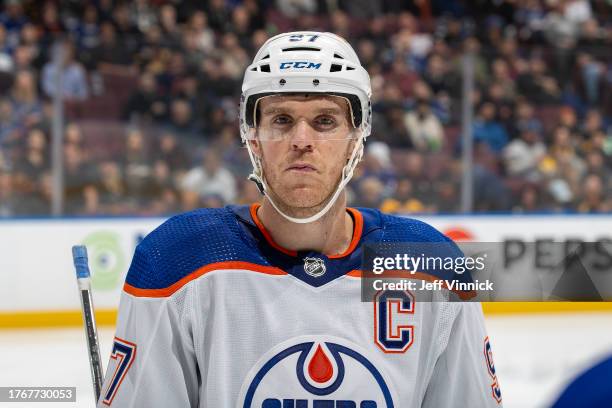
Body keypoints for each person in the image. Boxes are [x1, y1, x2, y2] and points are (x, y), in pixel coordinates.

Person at [99, 32, 502, 407]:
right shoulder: (176, 261)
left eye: (325, 121)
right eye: (281, 120)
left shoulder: (431, 265)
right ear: (251, 134)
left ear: (355, 137)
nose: (302, 140)